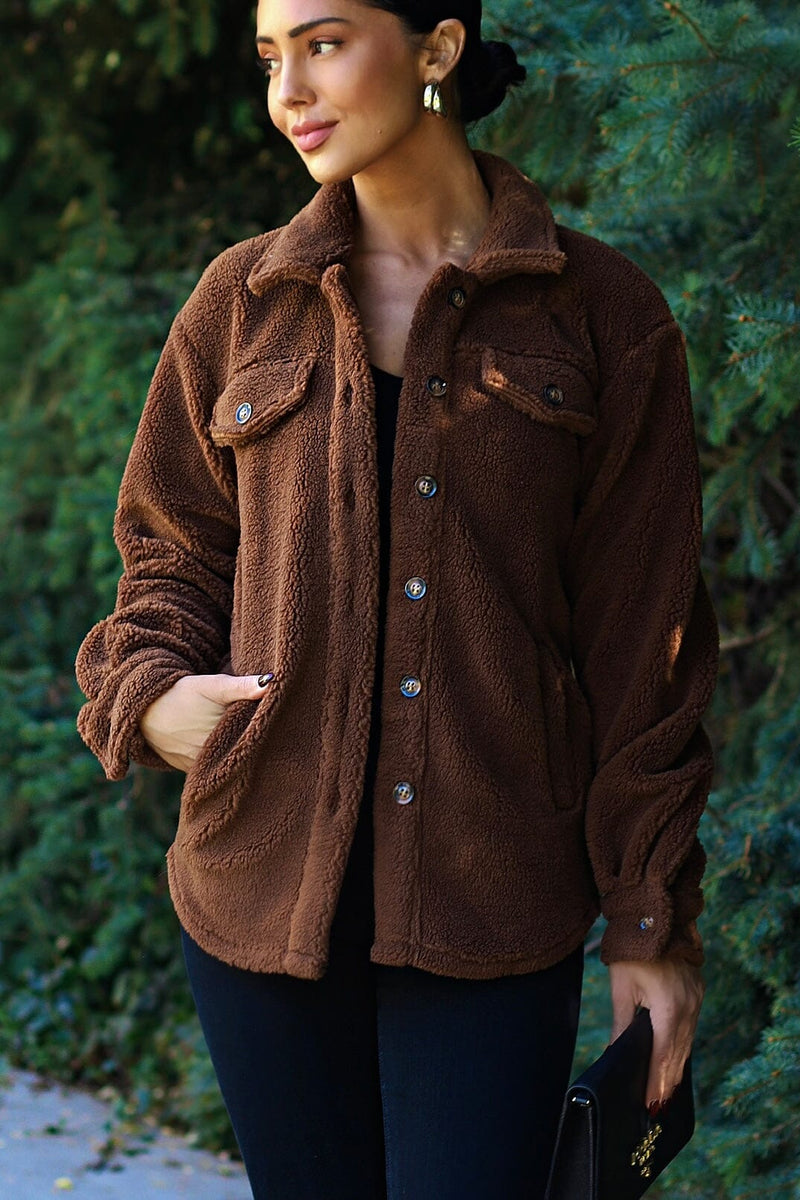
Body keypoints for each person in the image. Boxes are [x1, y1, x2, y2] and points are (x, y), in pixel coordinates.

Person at [74, 1, 720, 1196]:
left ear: (437, 49)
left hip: (494, 911)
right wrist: (149, 696)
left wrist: (649, 921)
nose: (288, 90)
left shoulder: (602, 314)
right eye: (271, 56)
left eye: (321, 44)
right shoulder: (240, 301)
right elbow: (167, 555)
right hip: (258, 902)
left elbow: (649, 651)